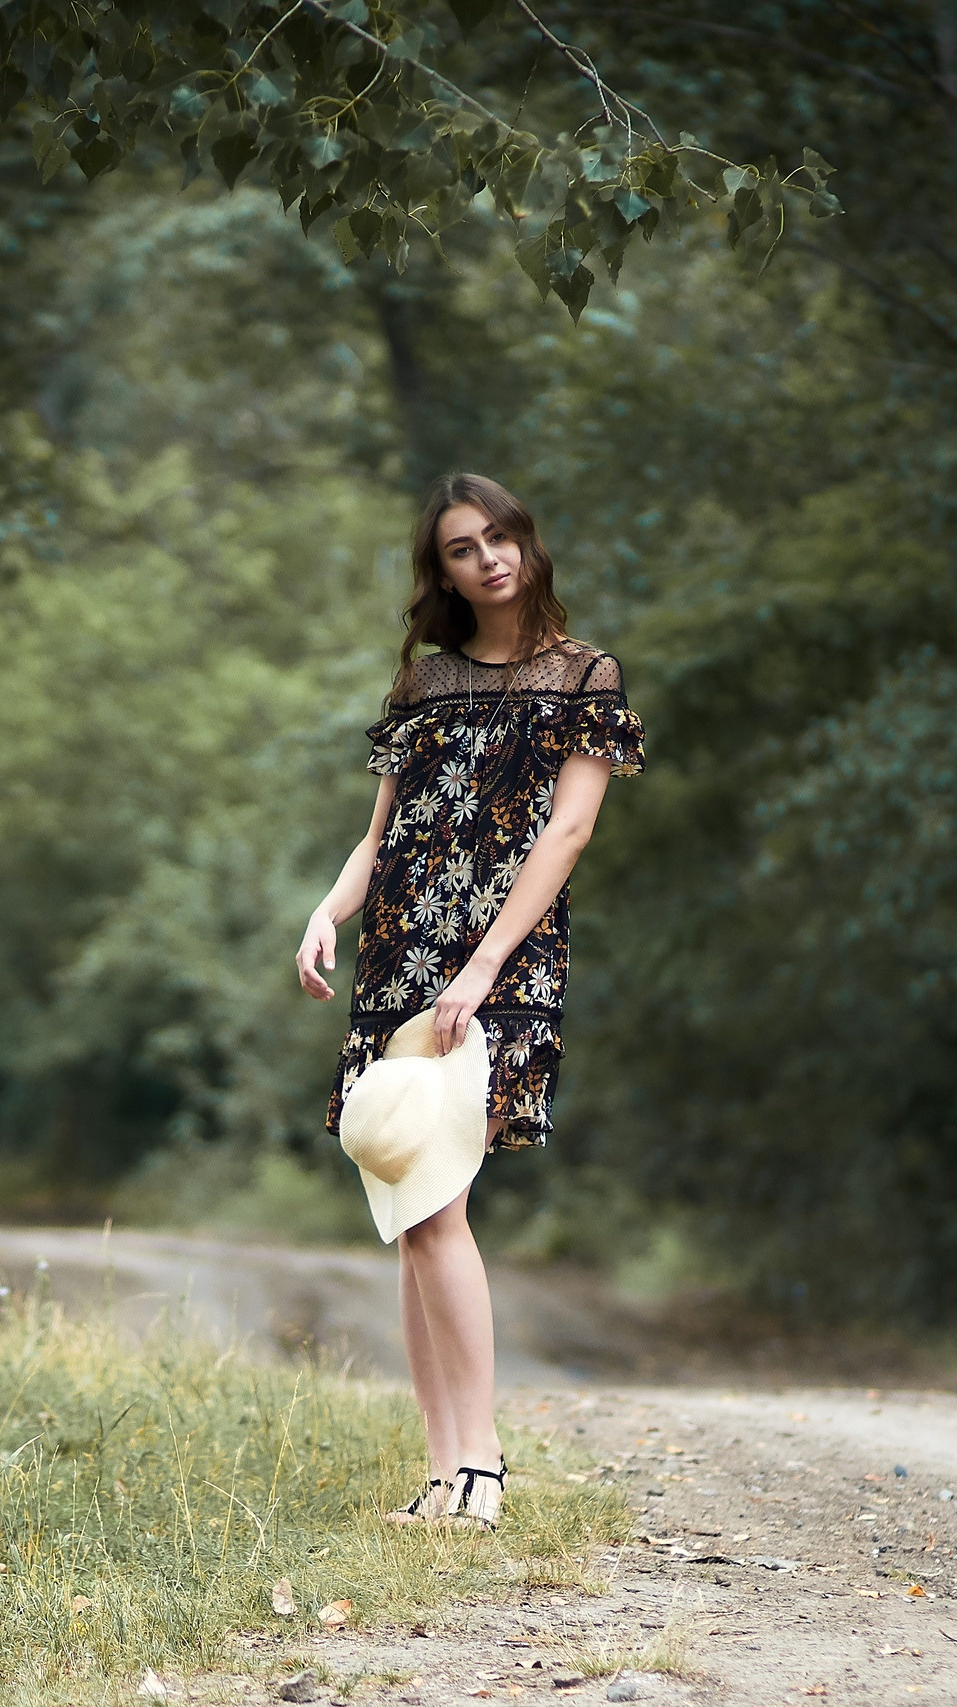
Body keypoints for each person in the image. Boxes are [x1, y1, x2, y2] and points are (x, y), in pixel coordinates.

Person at [294, 472, 644, 1529]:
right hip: (396, 957)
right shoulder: (422, 685)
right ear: (440, 570)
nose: (486, 557)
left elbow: (567, 833)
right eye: (461, 547)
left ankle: (482, 1464)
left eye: (498, 537)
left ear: (526, 544)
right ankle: (442, 1472)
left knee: (440, 1204)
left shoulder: (585, 675)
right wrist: (326, 911)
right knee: (410, 1207)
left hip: (498, 963)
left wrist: (485, 966)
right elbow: (376, 838)